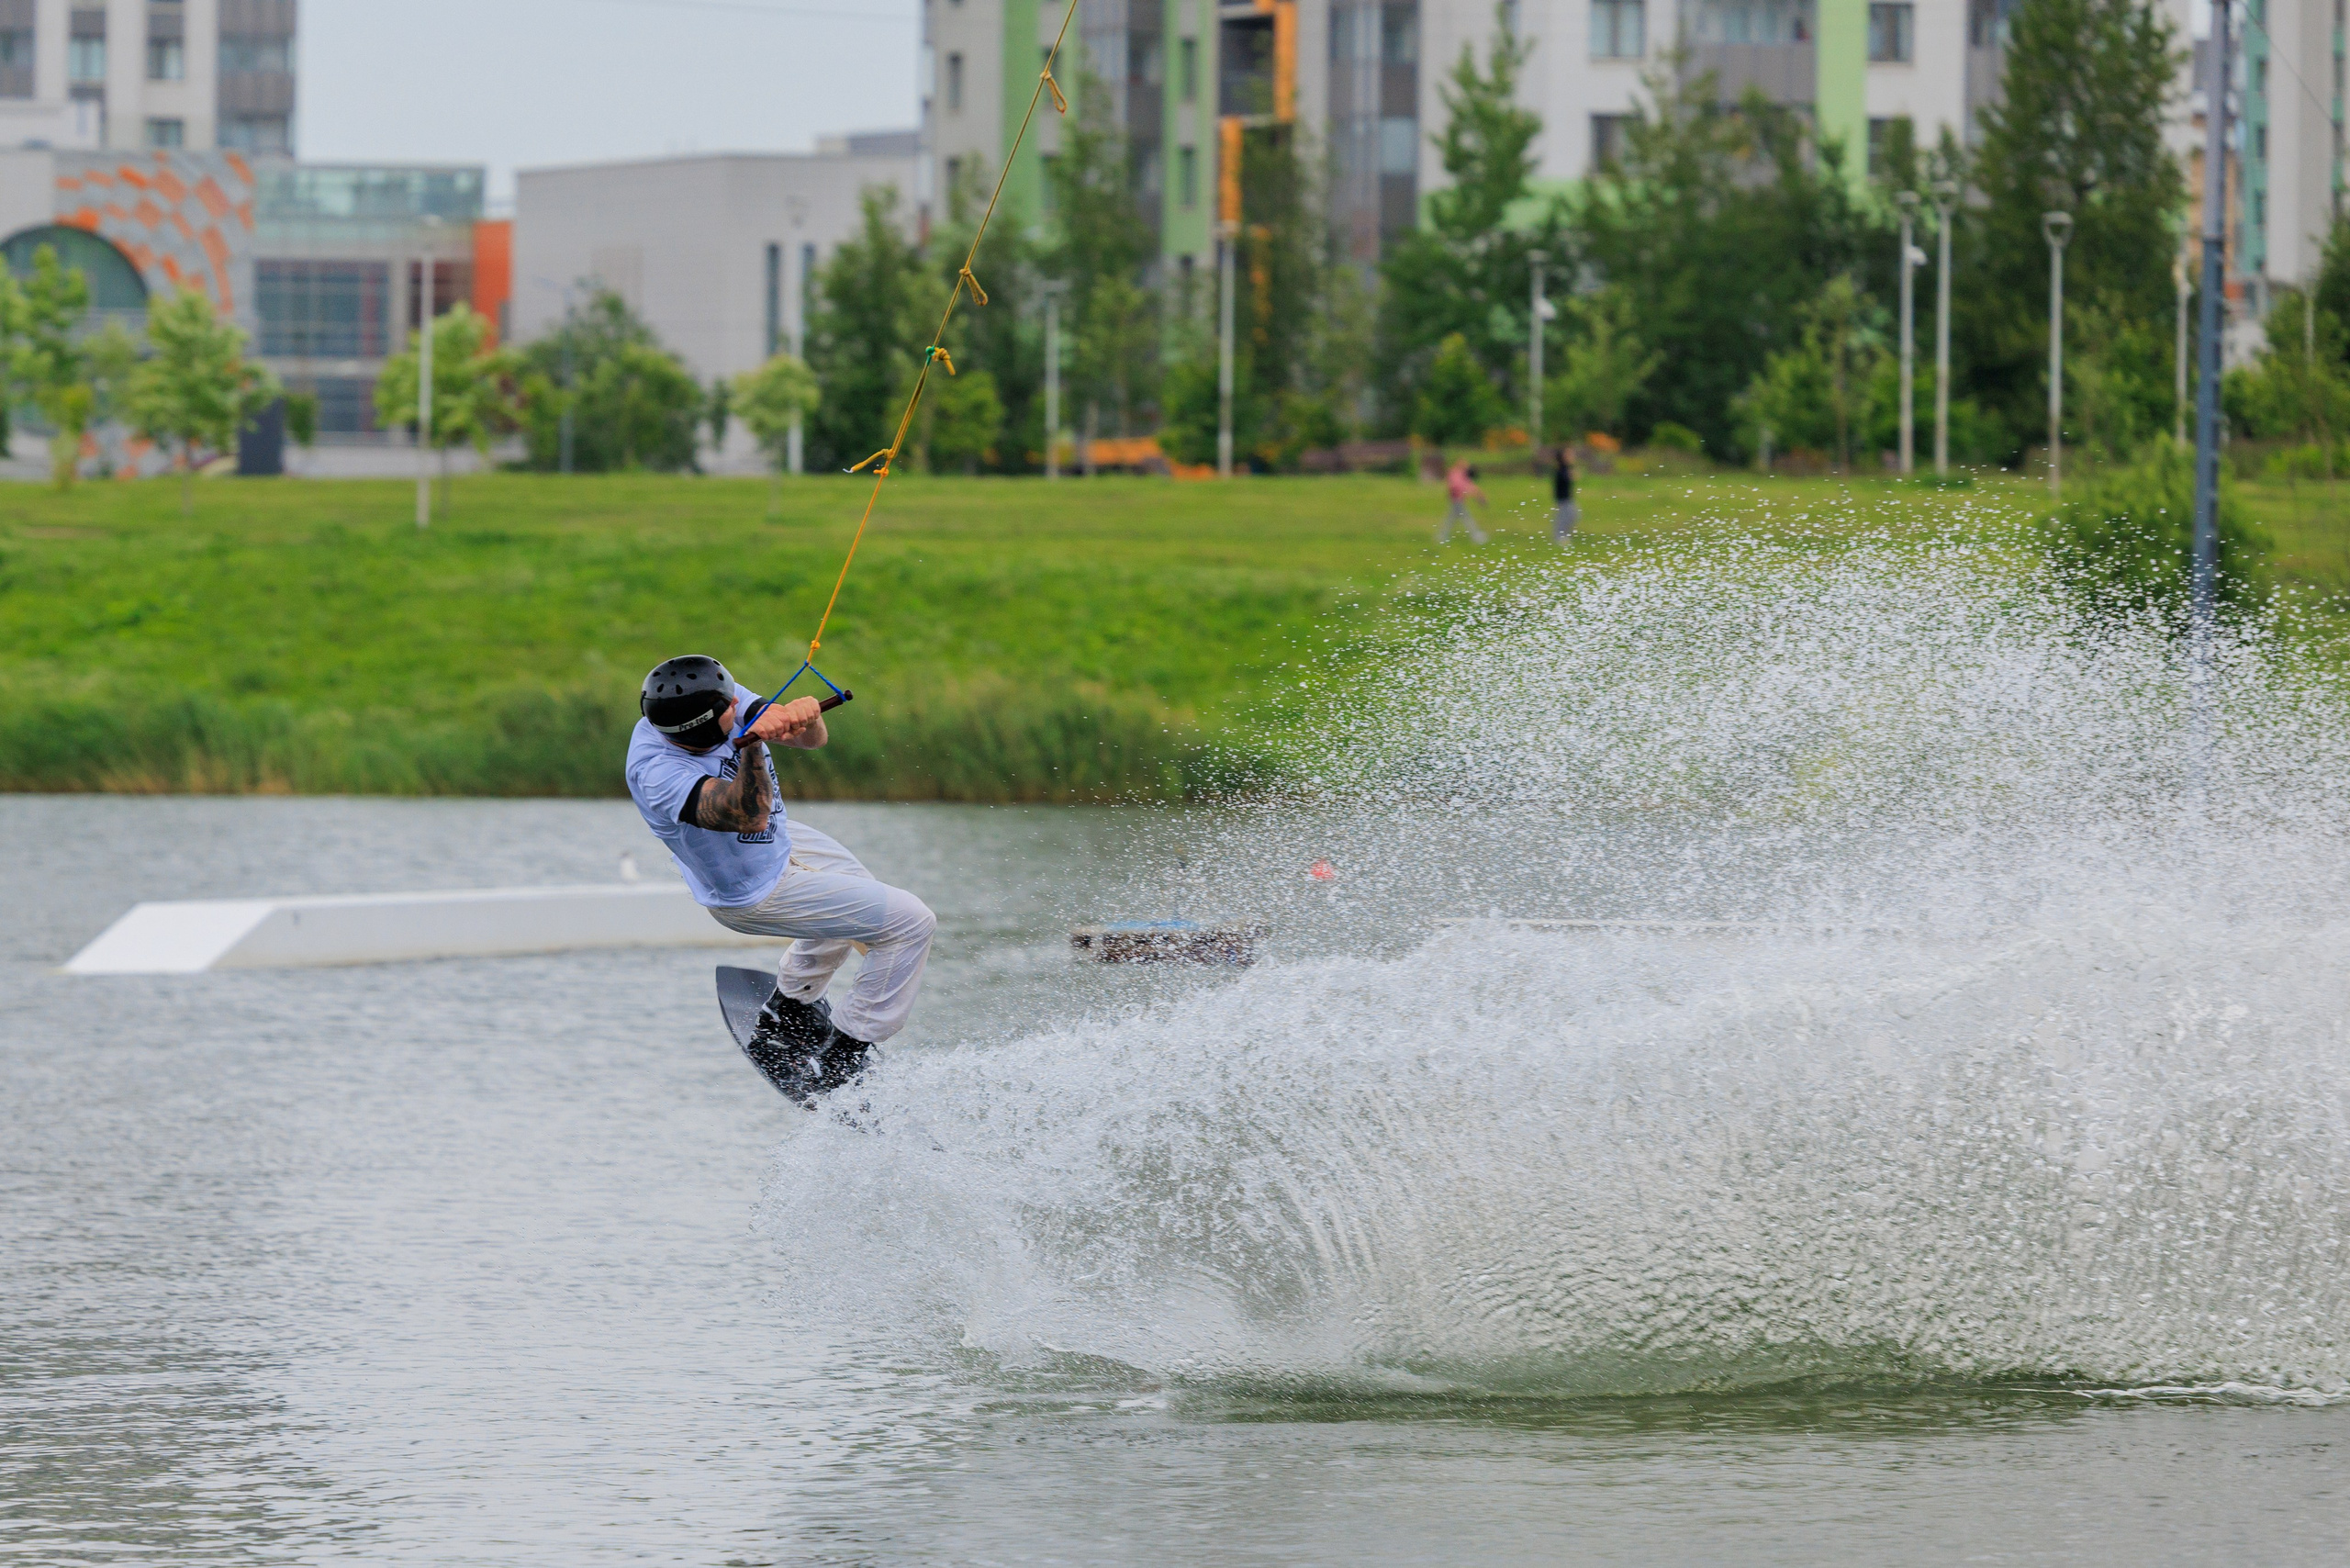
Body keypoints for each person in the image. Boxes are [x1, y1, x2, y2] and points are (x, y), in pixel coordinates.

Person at [625, 655, 936, 1107]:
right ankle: (843, 1059)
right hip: (748, 892)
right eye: (732, 709)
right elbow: (748, 816)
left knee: (864, 903)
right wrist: (752, 743)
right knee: (912, 922)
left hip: (782, 844)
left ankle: (788, 1010)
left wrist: (804, 719)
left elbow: (813, 742)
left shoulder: (717, 699)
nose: (740, 702)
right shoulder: (656, 771)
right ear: (703, 728)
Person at [1438, 459, 1490, 543]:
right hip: (1457, 500)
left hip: (1458, 500)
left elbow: (1470, 486)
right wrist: (1477, 495)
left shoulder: (1460, 474)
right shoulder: (1455, 474)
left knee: (1452, 519)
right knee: (1466, 518)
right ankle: (1476, 536)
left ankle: (1442, 536)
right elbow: (1458, 486)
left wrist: (1478, 494)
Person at [1550, 446, 1581, 543]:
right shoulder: (1561, 469)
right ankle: (1560, 536)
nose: (1572, 457)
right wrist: (1572, 475)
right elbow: (1566, 477)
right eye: (1569, 455)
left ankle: (1563, 535)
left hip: (1566, 497)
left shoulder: (1565, 468)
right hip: (1563, 498)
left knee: (1572, 515)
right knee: (1566, 516)